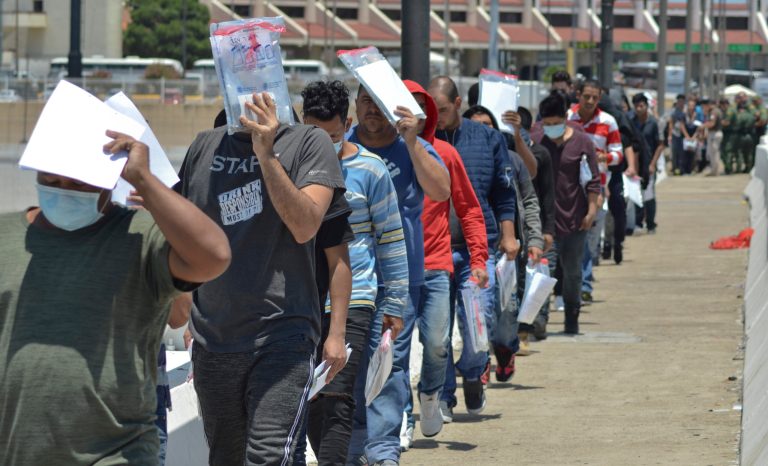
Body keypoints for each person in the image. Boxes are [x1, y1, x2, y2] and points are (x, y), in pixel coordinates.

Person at [0, 131, 231, 465]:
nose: (64, 191)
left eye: (79, 184)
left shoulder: (140, 235)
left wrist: (147, 184)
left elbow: (214, 256)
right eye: (51, 180)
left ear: (110, 183)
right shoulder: (8, 239)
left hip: (117, 453)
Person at [175, 92, 346, 465]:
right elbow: (180, 237)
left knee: (270, 457)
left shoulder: (309, 142)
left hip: (283, 335)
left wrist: (266, 155)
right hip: (213, 338)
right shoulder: (204, 145)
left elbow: (305, 227)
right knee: (227, 459)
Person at [295, 81, 408, 466]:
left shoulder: (371, 170)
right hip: (303, 297)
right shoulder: (291, 168)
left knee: (339, 394)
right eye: (313, 134)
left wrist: (394, 302)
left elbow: (392, 240)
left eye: (332, 135)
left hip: (357, 295)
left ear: (347, 124)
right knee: (309, 396)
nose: (323, 144)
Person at [346, 83, 450, 466]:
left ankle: (384, 449)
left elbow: (441, 190)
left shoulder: (414, 148)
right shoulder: (343, 145)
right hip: (350, 278)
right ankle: (359, 442)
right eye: (365, 101)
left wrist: (411, 143)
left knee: (391, 362)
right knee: (352, 361)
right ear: (355, 106)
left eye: (379, 103)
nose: (372, 109)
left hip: (401, 277)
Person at [399, 80, 489, 448]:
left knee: (437, 343)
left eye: (421, 109)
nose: (414, 115)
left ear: (428, 115)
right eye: (407, 107)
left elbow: (468, 208)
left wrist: (479, 257)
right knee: (396, 350)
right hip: (395, 269)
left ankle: (431, 394)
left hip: (437, 265)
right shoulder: (380, 153)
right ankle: (402, 416)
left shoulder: (445, 154)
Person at [428, 76, 519, 420]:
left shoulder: (488, 138)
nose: (436, 116)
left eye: (443, 109)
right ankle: (446, 394)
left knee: (478, 324)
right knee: (436, 333)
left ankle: (473, 372)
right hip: (435, 250)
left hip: (476, 252)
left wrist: (508, 235)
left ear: (458, 103)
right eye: (431, 111)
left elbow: (503, 193)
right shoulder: (421, 143)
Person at [464, 105, 544, 359]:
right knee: (477, 307)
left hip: (507, 250)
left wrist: (534, 238)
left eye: (487, 125)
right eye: (475, 125)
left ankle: (505, 347)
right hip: (472, 248)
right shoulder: (458, 159)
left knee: (507, 309)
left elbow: (529, 200)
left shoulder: (513, 159)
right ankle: (480, 361)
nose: (482, 131)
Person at [532, 91, 600, 334]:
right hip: (545, 221)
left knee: (572, 273)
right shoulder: (536, 139)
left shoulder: (582, 142)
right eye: (546, 124)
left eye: (554, 124)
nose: (549, 129)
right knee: (543, 271)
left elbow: (593, 181)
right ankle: (539, 320)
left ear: (565, 119)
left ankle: (572, 315)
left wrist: (591, 211)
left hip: (575, 219)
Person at [631, 92, 664, 233]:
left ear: (646, 106)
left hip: (649, 164)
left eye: (642, 106)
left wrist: (652, 164)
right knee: (637, 194)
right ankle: (638, 222)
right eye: (637, 106)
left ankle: (651, 223)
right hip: (636, 164)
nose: (639, 109)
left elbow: (660, 145)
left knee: (649, 195)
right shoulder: (631, 122)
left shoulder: (653, 123)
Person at [701, 98, 723, 177]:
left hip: (715, 133)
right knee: (712, 153)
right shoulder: (713, 111)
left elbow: (712, 123)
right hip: (714, 133)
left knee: (714, 153)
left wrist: (703, 126)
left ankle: (715, 171)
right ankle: (714, 170)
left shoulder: (714, 112)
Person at [680, 97, 699, 175]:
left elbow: (699, 126)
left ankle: (690, 170)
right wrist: (687, 136)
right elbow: (682, 126)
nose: (691, 107)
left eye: (692, 105)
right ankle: (684, 170)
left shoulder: (697, 115)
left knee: (692, 154)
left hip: (694, 136)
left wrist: (694, 136)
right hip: (686, 137)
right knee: (684, 154)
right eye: (690, 105)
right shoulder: (684, 115)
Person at [668, 94, 687, 175]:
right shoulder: (674, 111)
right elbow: (671, 123)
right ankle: (675, 168)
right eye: (679, 101)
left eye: (682, 101)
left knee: (682, 153)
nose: (681, 103)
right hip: (676, 134)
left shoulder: (685, 111)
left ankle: (681, 168)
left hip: (683, 135)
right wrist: (670, 135)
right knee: (675, 152)